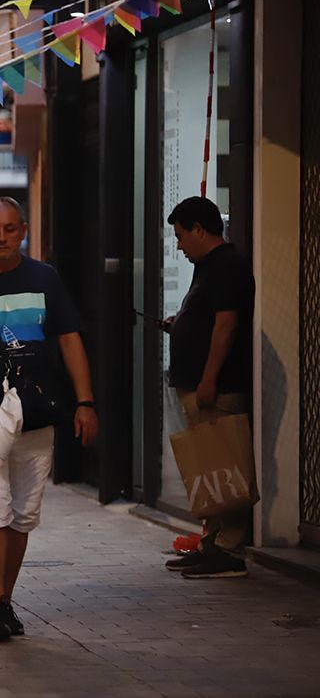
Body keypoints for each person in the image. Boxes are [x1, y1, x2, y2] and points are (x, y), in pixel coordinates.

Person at [0, 197, 98, 641]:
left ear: (24, 229)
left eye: (10, 228)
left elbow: (70, 341)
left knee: (22, 512)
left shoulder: (44, 278)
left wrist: (86, 403)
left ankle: (5, 600)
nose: (2, 237)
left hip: (36, 408)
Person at [161, 197, 255, 579]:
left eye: (182, 236)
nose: (180, 246)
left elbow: (226, 325)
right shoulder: (208, 267)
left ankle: (230, 549)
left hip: (216, 387)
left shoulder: (227, 265)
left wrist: (209, 379)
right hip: (200, 384)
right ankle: (212, 542)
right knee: (209, 468)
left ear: (200, 229)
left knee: (225, 465)